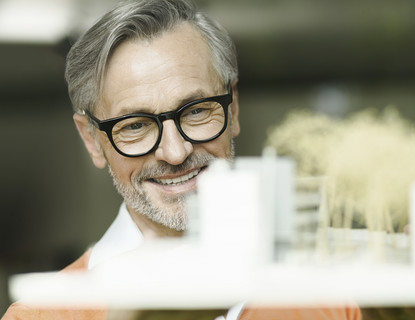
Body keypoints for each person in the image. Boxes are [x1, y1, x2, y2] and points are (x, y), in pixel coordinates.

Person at [2, 0, 364, 319]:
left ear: (233, 108)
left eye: (195, 111)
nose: (176, 152)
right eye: (136, 125)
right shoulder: (40, 317)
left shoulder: (338, 294)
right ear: (92, 140)